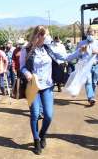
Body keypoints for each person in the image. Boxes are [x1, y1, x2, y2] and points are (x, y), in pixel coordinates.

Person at [20, 25, 81, 155]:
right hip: (33, 87)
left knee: (48, 115)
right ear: (39, 36)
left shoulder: (49, 49)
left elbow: (65, 57)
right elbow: (22, 67)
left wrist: (80, 51)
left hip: (47, 86)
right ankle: (36, 140)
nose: (48, 37)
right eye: (46, 35)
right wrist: (27, 73)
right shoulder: (26, 50)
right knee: (35, 114)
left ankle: (42, 134)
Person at [75, 26, 98, 106]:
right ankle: (91, 97)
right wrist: (81, 51)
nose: (90, 35)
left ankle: (91, 95)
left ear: (95, 34)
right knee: (88, 82)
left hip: (96, 65)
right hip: (85, 65)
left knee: (94, 83)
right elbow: (77, 55)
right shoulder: (81, 43)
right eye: (89, 33)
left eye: (92, 33)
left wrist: (96, 52)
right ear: (86, 33)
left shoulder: (97, 43)